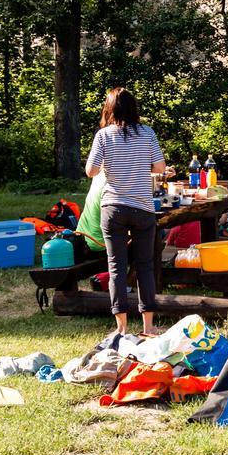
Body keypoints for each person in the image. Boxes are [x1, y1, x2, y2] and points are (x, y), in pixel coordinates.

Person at [85, 87, 167, 336]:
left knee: (116, 267)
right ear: (134, 109)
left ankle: (121, 329)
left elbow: (91, 170)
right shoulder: (147, 133)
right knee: (145, 266)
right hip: (142, 207)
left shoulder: (103, 135)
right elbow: (160, 167)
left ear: (109, 109)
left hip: (113, 208)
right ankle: (148, 327)